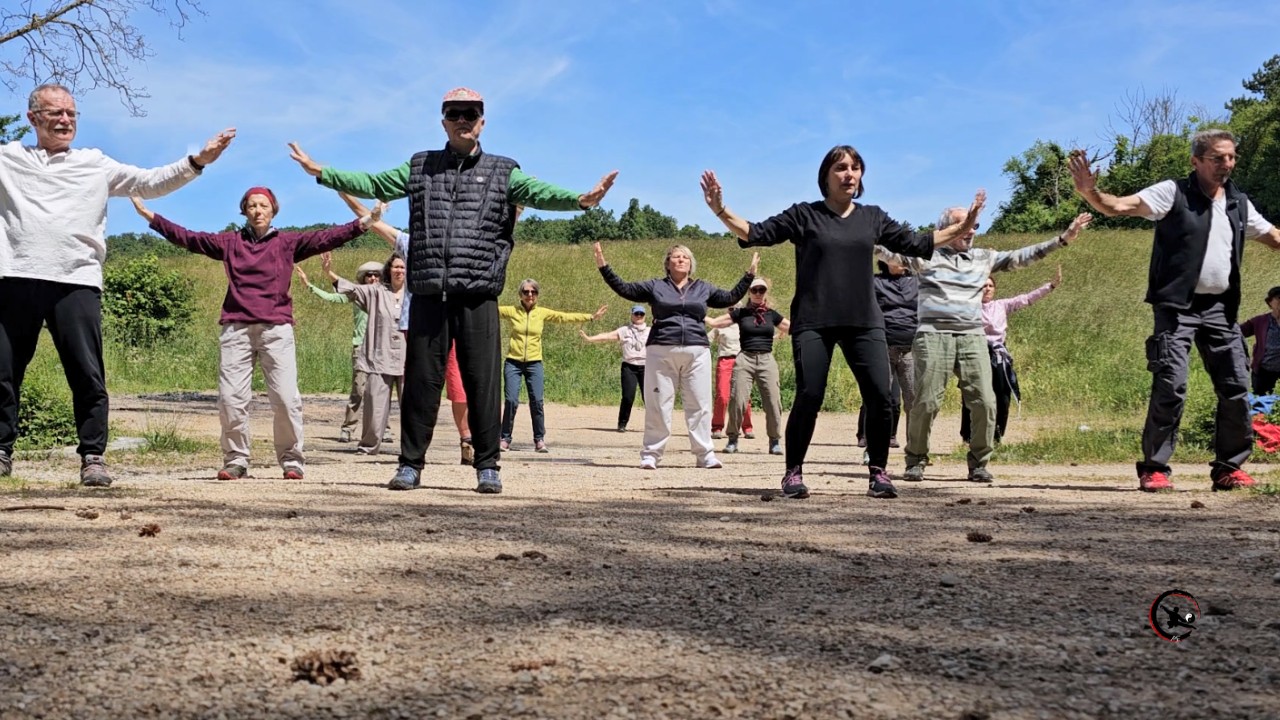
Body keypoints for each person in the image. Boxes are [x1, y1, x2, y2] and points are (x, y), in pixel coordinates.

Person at [701, 147, 983, 500]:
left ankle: (878, 473)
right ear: (826, 175)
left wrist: (965, 225)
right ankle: (793, 473)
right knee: (809, 394)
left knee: (882, 397)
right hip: (813, 320)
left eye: (856, 167)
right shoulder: (804, 215)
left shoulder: (872, 217)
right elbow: (754, 232)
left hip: (864, 320)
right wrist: (720, 210)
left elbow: (917, 243)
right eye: (841, 167)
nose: (849, 173)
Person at [0, 82, 235, 486]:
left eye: (71, 114)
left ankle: (93, 457)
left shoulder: (94, 163)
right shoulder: (8, 158)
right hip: (14, 276)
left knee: (87, 373)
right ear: (33, 118)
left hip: (76, 280)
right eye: (55, 113)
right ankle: (2, 452)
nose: (65, 120)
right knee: (2, 371)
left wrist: (198, 161)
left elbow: (150, 182)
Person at [1069, 130, 1280, 492]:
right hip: (1177, 307)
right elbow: (1118, 206)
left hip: (1220, 309)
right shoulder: (1173, 193)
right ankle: (1155, 468)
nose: (1226, 164)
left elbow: (1274, 237)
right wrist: (1091, 193)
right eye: (1217, 158)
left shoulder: (1238, 203)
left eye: (1231, 157)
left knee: (1236, 386)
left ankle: (1229, 467)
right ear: (1196, 161)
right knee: (1171, 384)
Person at [130, 189, 380, 480]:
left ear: (273, 210)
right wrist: (151, 217)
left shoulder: (287, 242)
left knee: (286, 398)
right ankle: (236, 459)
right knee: (230, 399)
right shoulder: (229, 242)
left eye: (263, 205)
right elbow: (189, 238)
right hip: (236, 329)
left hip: (276, 329)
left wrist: (366, 222)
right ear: (244, 211)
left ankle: (291, 460)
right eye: (252, 206)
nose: (258, 210)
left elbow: (328, 237)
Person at [883, 209, 1089, 485]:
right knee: (927, 401)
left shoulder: (982, 258)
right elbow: (888, 254)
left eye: (974, 225)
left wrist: (1063, 238)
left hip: (971, 336)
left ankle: (979, 463)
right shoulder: (927, 255)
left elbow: (1021, 257)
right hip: (934, 335)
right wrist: (852, 230)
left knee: (985, 401)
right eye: (963, 224)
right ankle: (916, 460)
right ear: (946, 229)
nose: (971, 230)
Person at [336, 192, 474, 465]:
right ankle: (414, 449)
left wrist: (515, 208)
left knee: (459, 387)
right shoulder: (412, 245)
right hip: (417, 329)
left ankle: (467, 439)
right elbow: (373, 224)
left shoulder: (461, 245)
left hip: (451, 325)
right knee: (418, 391)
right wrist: (341, 189)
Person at [595, 242, 757, 469]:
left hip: (697, 350)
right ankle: (651, 454)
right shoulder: (655, 286)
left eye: (685, 257)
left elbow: (730, 297)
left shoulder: (703, 288)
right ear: (667, 263)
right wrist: (604, 266)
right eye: (676, 257)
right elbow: (625, 289)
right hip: (661, 350)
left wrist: (749, 276)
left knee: (700, 404)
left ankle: (705, 454)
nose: (681, 259)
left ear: (691, 265)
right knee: (659, 404)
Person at [959, 266, 1063, 445]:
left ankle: (997, 436)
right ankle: (968, 436)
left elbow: (1027, 299)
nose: (987, 289)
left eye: (990, 286)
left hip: (999, 355)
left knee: (1003, 396)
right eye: (983, 286)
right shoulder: (969, 308)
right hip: (976, 353)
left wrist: (1051, 286)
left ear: (995, 289)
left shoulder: (1002, 305)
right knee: (972, 394)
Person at [293, 257, 392, 443]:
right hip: (362, 346)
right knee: (359, 389)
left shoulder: (388, 295)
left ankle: (383, 429)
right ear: (363, 278)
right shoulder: (356, 295)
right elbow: (333, 297)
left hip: (382, 347)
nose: (372, 278)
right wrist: (309, 285)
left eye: (376, 275)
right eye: (368, 275)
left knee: (381, 390)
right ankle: (348, 428)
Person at [500, 279, 606, 452]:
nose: (530, 295)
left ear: (537, 295)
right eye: (526, 292)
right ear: (520, 294)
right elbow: (489, 310)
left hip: (534, 363)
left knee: (537, 401)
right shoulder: (512, 311)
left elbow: (563, 317)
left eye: (533, 292)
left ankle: (539, 440)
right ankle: (505, 438)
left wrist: (591, 317)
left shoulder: (541, 313)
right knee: (511, 400)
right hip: (513, 362)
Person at [706, 276, 789, 455]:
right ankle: (733, 439)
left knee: (774, 402)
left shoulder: (771, 314)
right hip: (745, 359)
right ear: (749, 293)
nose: (758, 293)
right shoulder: (741, 313)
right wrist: (695, 311)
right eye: (754, 290)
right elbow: (715, 322)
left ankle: (774, 441)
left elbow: (792, 327)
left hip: (767, 360)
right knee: (737, 400)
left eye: (762, 290)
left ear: (766, 293)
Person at [334, 252, 407, 455]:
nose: (399, 271)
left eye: (402, 267)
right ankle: (367, 444)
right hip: (380, 355)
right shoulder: (375, 292)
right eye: (395, 267)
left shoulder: (414, 294)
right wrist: (329, 273)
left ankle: (413, 449)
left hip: (408, 356)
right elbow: (352, 291)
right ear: (389, 270)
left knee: (412, 406)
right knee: (373, 400)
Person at [855, 259, 918, 454]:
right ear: (885, 260)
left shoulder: (917, 281)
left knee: (913, 400)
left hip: (910, 348)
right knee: (879, 397)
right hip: (883, 347)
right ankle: (872, 449)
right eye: (896, 256)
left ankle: (915, 450)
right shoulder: (875, 281)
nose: (901, 260)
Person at [580, 305, 650, 433]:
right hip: (629, 366)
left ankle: (654, 425)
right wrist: (590, 339)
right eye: (636, 314)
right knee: (628, 397)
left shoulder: (651, 331)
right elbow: (607, 336)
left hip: (646, 367)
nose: (639, 316)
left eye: (641, 314)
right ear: (632, 315)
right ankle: (622, 424)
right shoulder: (624, 330)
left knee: (649, 398)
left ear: (645, 316)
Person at [708, 322, 753, 440]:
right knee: (722, 395)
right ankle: (717, 427)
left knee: (744, 396)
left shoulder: (746, 323)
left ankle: (747, 427)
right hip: (725, 360)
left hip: (743, 360)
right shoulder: (720, 325)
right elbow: (707, 339)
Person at [1238, 286, 1280, 395]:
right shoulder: (1260, 321)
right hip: (1264, 372)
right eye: (1279, 298)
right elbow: (1237, 332)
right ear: (1270, 302)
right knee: (1260, 404)